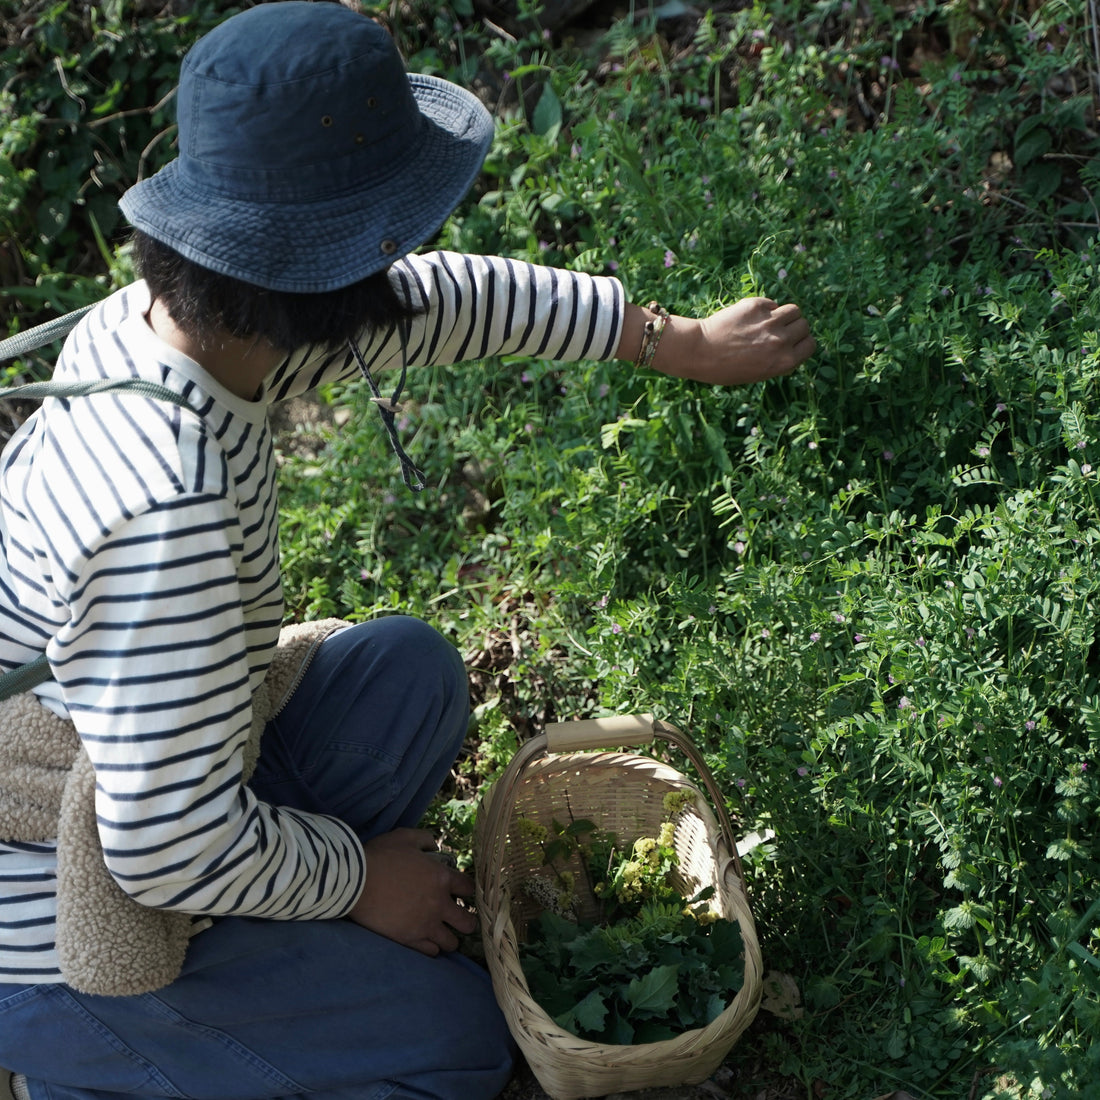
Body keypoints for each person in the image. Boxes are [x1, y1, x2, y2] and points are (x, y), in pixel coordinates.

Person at [0, 2, 814, 1098]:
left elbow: (437, 303)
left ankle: (286, 974)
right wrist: (353, 884)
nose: (404, 257)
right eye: (383, 237)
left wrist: (666, 338)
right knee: (458, 1039)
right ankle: (101, 1067)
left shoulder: (183, 317)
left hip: (152, 765)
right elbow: (159, 849)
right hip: (68, 919)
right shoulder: (166, 508)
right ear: (308, 269)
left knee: (408, 672)